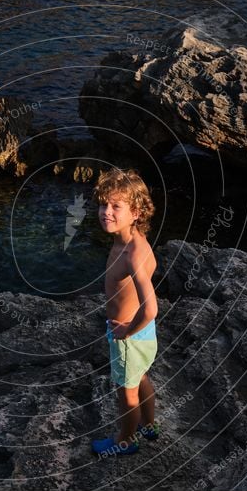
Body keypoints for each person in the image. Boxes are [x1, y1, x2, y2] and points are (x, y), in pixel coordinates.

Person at [90, 168, 159, 456]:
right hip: (140, 335)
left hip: (130, 336)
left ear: (137, 213)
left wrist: (125, 332)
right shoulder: (125, 241)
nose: (106, 212)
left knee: (126, 392)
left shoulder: (132, 254)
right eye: (103, 204)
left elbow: (151, 307)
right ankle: (149, 424)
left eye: (116, 206)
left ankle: (126, 440)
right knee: (141, 378)